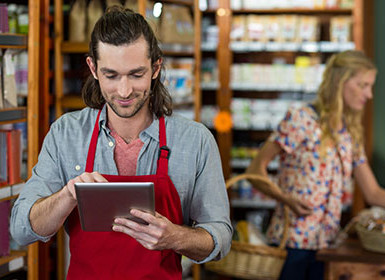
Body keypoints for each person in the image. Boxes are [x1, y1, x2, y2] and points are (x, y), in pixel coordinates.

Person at [10, 6, 232, 279]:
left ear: (155, 67)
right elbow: (21, 228)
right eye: (111, 75)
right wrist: (67, 196)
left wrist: (175, 237)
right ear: (93, 68)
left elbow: (220, 237)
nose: (124, 91)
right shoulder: (65, 134)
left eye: (136, 74)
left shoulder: (195, 141)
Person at [246, 50, 385, 280]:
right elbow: (254, 171)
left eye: (370, 86)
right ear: (340, 82)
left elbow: (374, 192)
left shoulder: (349, 132)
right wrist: (286, 199)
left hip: (329, 246)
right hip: (292, 245)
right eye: (363, 85)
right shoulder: (301, 119)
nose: (369, 94)